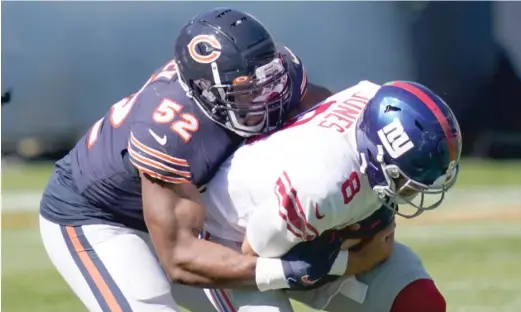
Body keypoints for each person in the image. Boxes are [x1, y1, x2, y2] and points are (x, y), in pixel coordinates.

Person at [38, 8, 340, 312]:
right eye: (247, 92)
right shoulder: (169, 130)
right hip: (100, 216)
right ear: (206, 91)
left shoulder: (281, 81)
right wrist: (284, 272)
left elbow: (334, 135)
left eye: (268, 81)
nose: (266, 97)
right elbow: (180, 258)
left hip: (188, 211)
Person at [201, 80, 462, 311]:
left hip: (304, 230)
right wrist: (349, 262)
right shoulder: (320, 188)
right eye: (406, 178)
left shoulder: (374, 105)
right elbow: (253, 256)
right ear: (378, 158)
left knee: (417, 302)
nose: (415, 190)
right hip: (226, 241)